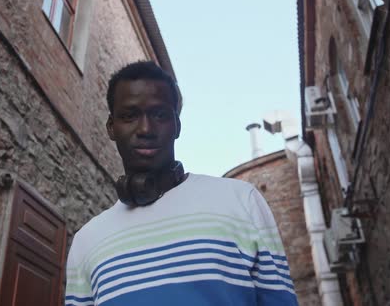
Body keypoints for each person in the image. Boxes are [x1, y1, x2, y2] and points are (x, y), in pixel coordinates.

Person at [64, 61, 298, 306]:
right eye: (130, 116)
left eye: (160, 115)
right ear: (111, 127)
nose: (145, 129)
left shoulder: (241, 201)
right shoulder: (86, 241)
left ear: (177, 125)